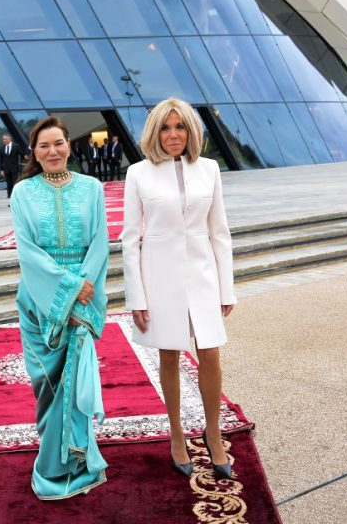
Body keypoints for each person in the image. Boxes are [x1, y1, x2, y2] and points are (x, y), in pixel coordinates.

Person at [120, 97, 236, 479]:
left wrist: (226, 288)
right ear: (156, 132)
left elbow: (220, 232)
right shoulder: (138, 173)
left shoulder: (209, 170)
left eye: (180, 127)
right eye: (166, 128)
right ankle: (175, 434)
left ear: (191, 131)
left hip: (202, 275)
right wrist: (136, 295)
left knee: (211, 353)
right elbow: (130, 238)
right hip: (160, 278)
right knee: (169, 355)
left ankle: (213, 433)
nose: (173, 135)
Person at [10, 115, 109, 499]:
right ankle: (52, 468)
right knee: (49, 386)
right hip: (39, 302)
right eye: (44, 146)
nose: (52, 151)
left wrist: (83, 289)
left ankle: (78, 460)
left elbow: (100, 242)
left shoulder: (93, 188)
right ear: (34, 152)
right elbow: (27, 251)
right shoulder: (22, 193)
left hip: (84, 295)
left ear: (70, 145)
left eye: (59, 143)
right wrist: (66, 290)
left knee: (76, 381)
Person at [0, 133, 22, 198]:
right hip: (6, 169)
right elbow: (1, 160)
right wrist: (1, 170)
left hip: (14, 168)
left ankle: (15, 194)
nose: (3, 140)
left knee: (15, 182)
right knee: (8, 182)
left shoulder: (16, 146)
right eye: (3, 139)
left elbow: (22, 155)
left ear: (9, 139)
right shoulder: (2, 148)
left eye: (5, 139)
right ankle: (9, 195)